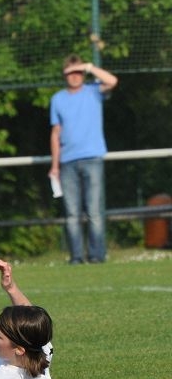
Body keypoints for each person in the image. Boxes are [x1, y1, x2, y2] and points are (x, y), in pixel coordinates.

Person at [49, 54, 118, 264]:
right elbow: (55, 133)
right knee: (72, 214)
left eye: (78, 72)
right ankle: (76, 257)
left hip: (93, 158)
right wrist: (54, 166)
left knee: (94, 211)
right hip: (67, 161)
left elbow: (112, 81)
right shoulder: (57, 99)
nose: (75, 76)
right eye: (70, 72)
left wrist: (89, 66)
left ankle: (97, 256)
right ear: (64, 75)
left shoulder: (93, 91)